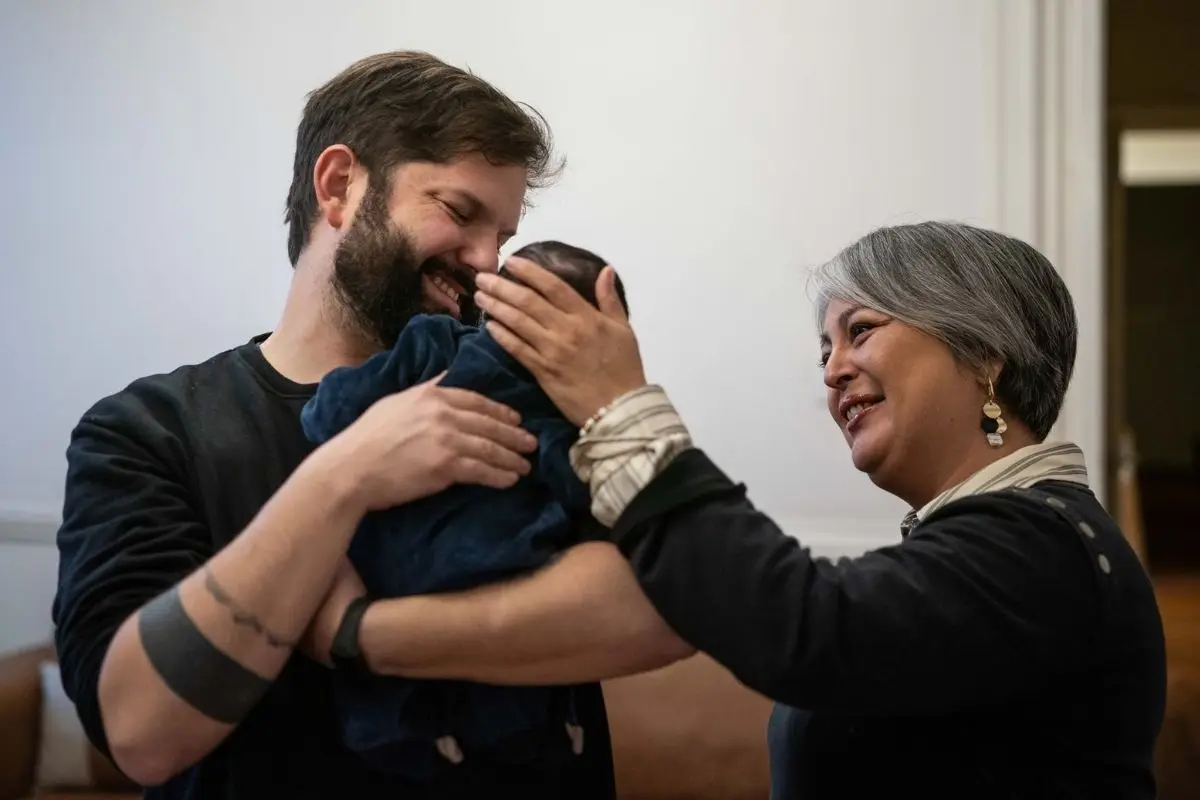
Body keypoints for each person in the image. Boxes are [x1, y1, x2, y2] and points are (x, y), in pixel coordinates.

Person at [51, 51, 687, 800]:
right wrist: (342, 476)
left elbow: (684, 603)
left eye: (504, 238)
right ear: (339, 185)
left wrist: (357, 635)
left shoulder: (535, 390)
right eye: (459, 211)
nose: (488, 264)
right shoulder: (150, 431)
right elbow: (142, 734)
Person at [452, 220, 1167, 798]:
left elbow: (809, 628)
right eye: (825, 347)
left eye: (861, 331)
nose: (831, 371)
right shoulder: (1009, 539)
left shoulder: (1042, 549)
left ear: (984, 354)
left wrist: (618, 407)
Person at [299, 241, 628, 778]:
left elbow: (331, 411)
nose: (483, 261)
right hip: (505, 572)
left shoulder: (436, 344)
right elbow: (589, 498)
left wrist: (327, 415)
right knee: (514, 706)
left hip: (409, 567)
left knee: (391, 707)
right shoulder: (572, 417)